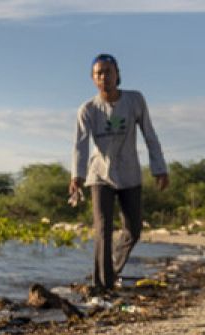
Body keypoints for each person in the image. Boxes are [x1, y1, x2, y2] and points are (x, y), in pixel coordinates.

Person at [69, 53, 168, 295]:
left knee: (133, 229)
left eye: (107, 72)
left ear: (117, 74)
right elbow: (80, 146)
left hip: (130, 173)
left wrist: (159, 168)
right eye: (98, 73)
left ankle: (111, 268)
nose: (103, 77)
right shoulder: (88, 109)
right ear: (93, 79)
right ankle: (102, 286)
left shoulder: (135, 101)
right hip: (99, 174)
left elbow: (149, 134)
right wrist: (77, 177)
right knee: (102, 229)